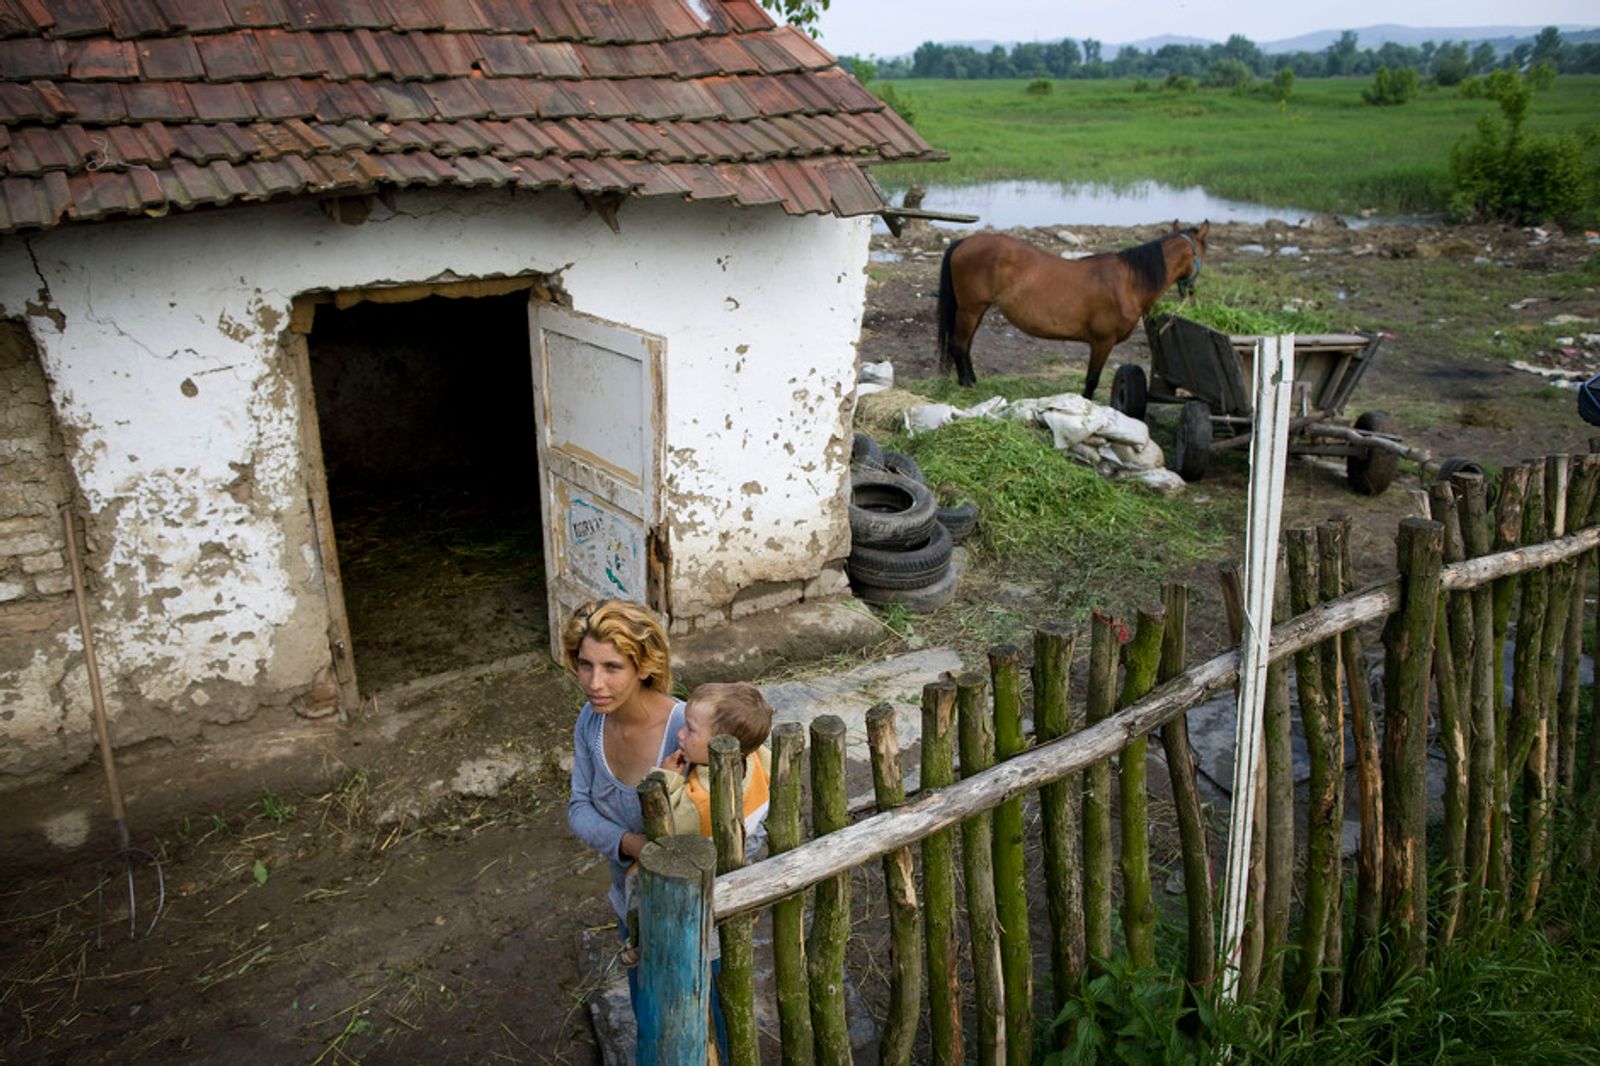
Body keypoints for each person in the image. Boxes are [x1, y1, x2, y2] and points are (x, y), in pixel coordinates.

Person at [562, 599, 685, 928]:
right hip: (630, 905)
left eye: (612, 667)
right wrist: (630, 844)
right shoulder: (591, 722)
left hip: (691, 915)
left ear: (644, 666)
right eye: (585, 665)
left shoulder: (687, 733)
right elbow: (579, 808)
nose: (594, 683)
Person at [655, 681, 773, 861]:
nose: (680, 734)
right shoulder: (756, 756)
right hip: (749, 840)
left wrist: (667, 777)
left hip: (712, 859)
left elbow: (669, 823)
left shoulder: (700, 798)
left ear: (720, 744)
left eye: (690, 729)